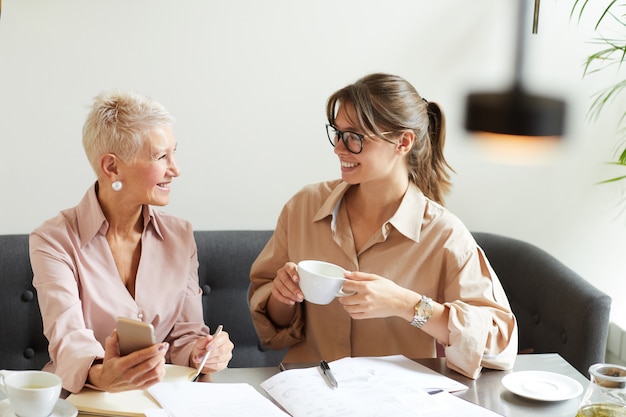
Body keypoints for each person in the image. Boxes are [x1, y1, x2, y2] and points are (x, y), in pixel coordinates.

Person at [248, 73, 517, 379]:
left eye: (355, 137)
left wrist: (406, 304)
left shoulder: (444, 235)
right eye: (337, 133)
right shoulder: (303, 208)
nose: (339, 148)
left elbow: (499, 344)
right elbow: (272, 326)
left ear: (402, 142)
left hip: (395, 401)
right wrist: (281, 297)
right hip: (307, 392)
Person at [29, 90, 233, 393]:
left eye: (174, 153)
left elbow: (186, 335)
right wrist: (103, 374)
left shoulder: (181, 237)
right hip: (83, 398)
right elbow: (68, 339)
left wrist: (202, 351)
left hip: (164, 399)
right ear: (112, 167)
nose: (175, 169)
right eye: (161, 156)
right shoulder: (53, 240)